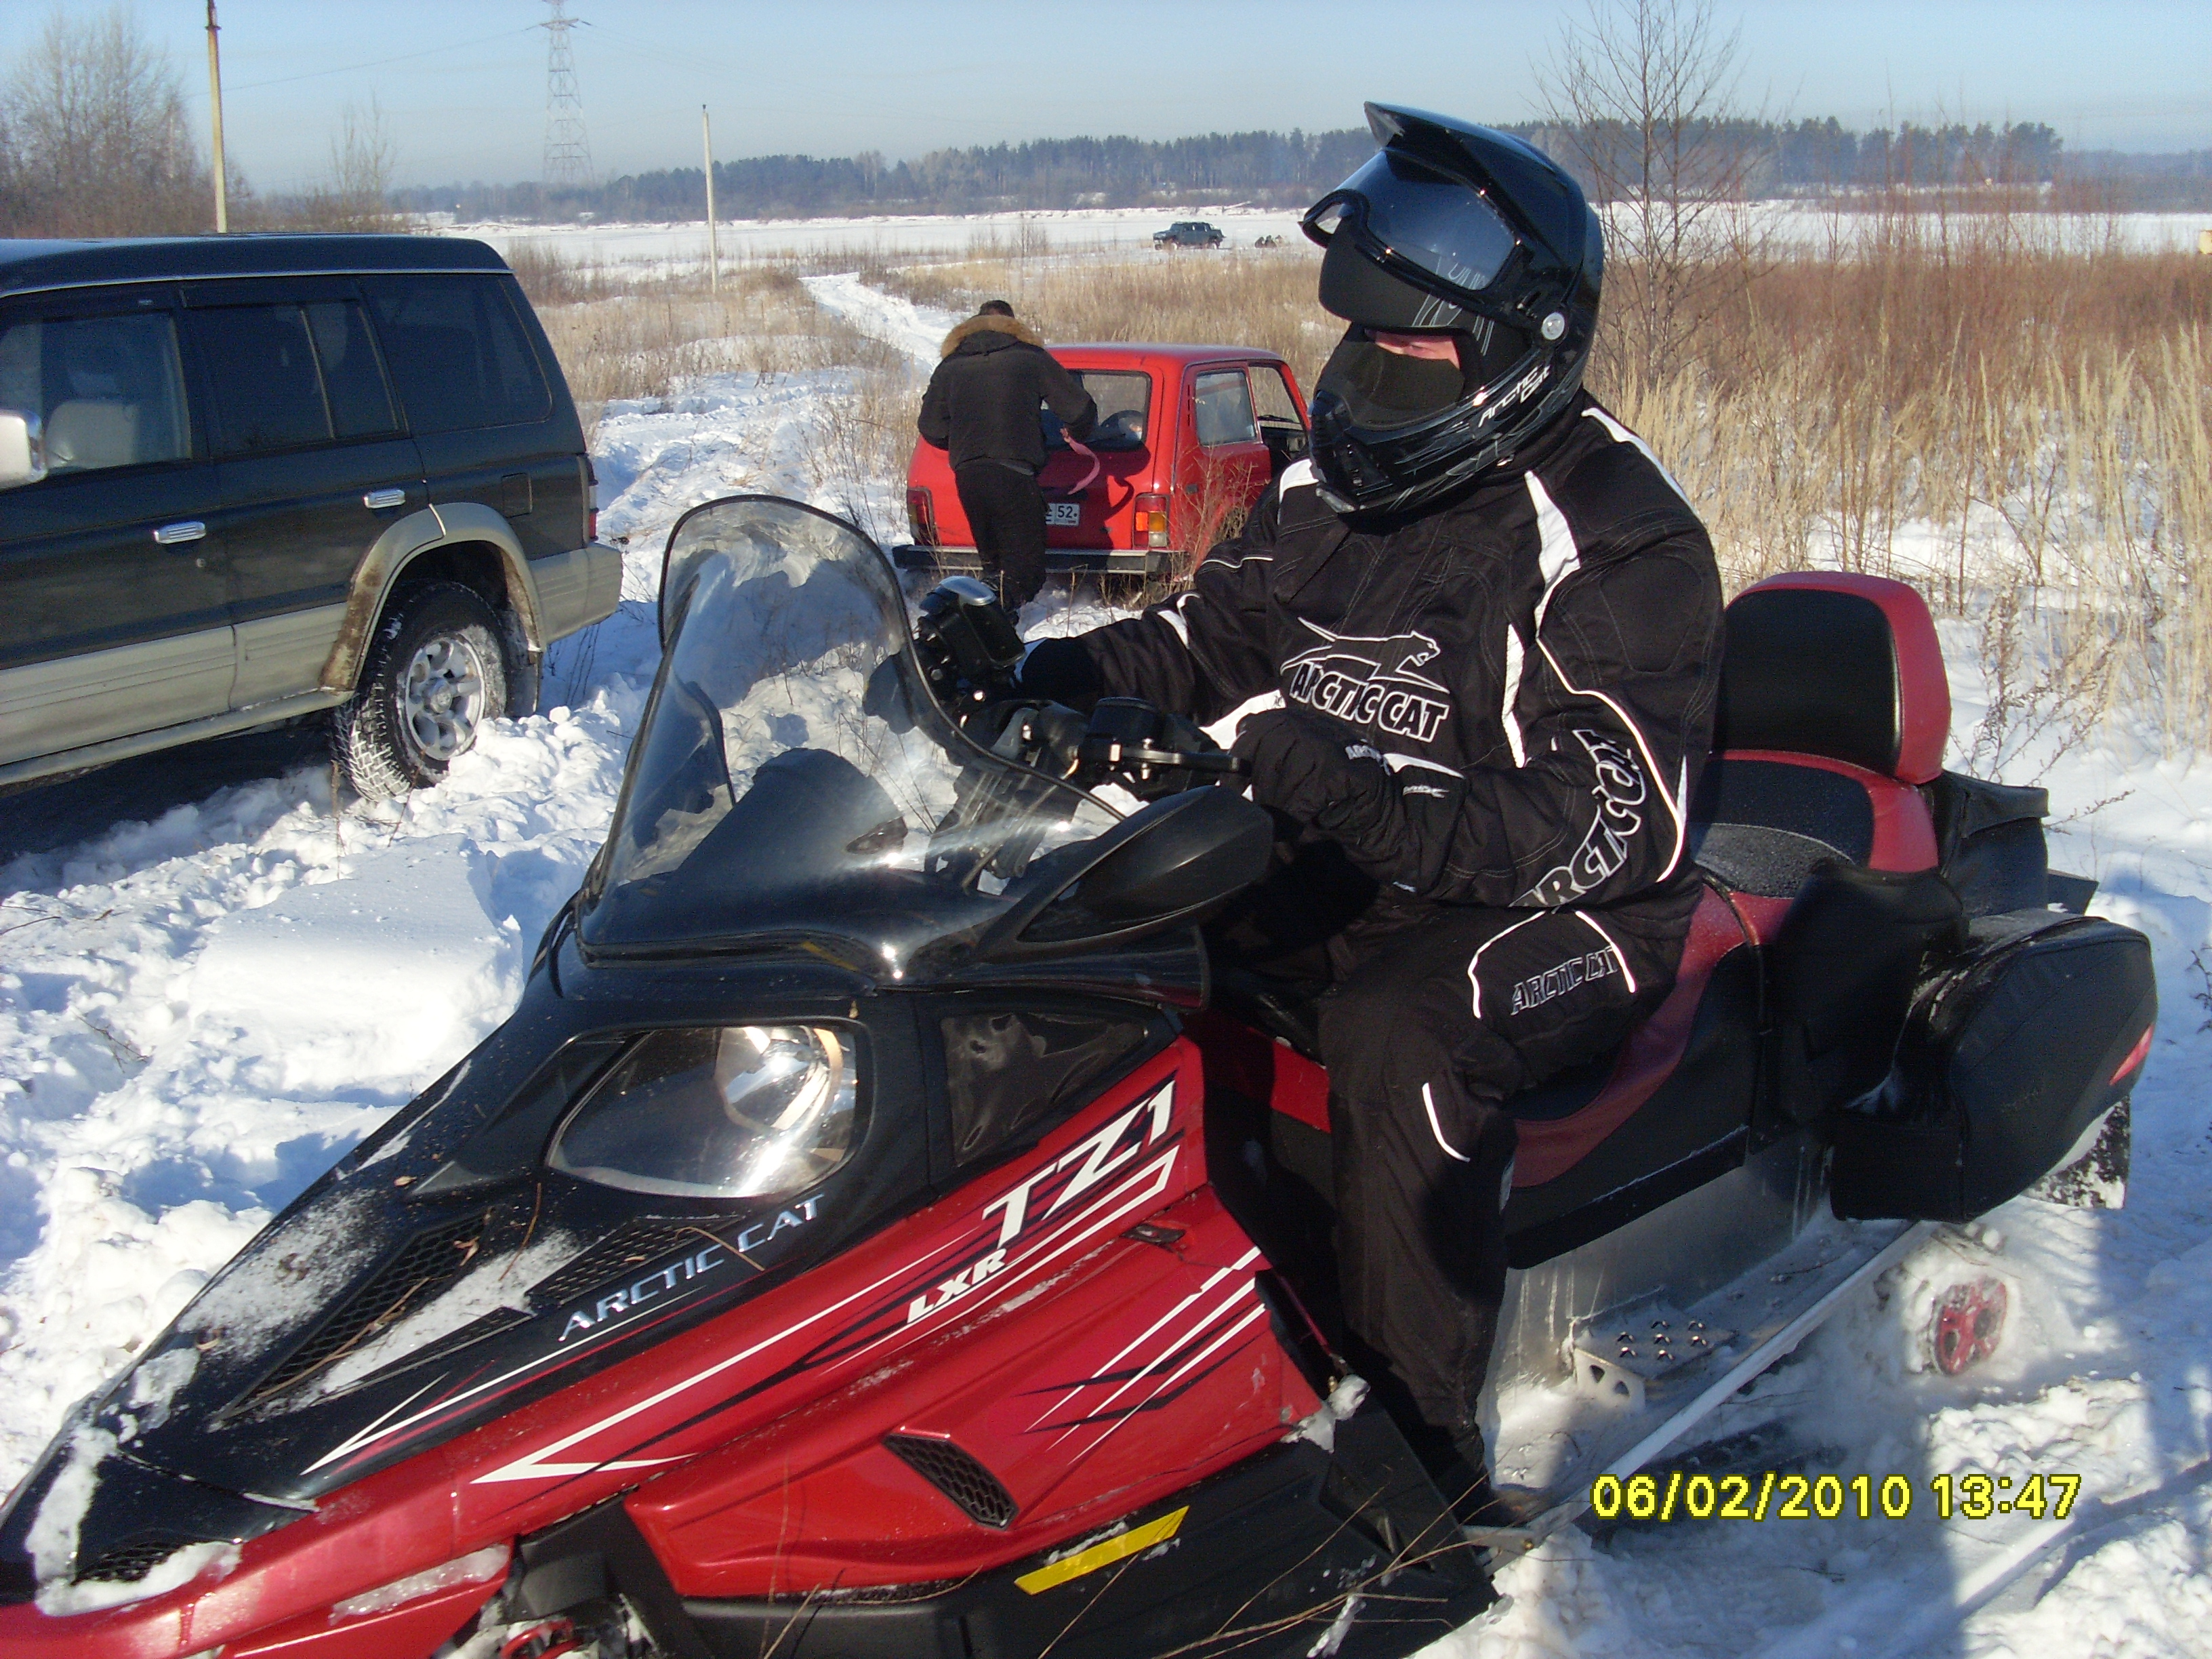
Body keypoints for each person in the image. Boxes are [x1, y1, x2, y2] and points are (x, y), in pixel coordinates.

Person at [1017, 104, 1723, 1522]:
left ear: (1512, 353)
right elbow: (1214, 634)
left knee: (1401, 1031)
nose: (1368, 373)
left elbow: (1613, 817)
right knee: (1108, 932)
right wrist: (1048, 674)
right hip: (1364, 848)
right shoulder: (1333, 480)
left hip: (1569, 907)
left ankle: (1422, 1448)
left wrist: (1358, 801)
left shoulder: (1618, 536)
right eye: (1361, 340)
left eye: (1410, 348)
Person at [917, 300, 1098, 609]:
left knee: (994, 567)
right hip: (1014, 473)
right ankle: (989, 622)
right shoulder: (1030, 358)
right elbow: (1079, 410)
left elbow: (931, 426)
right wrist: (1076, 432)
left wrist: (967, 441)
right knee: (1024, 574)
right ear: (1013, 326)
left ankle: (988, 621)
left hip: (969, 475)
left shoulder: (950, 366)